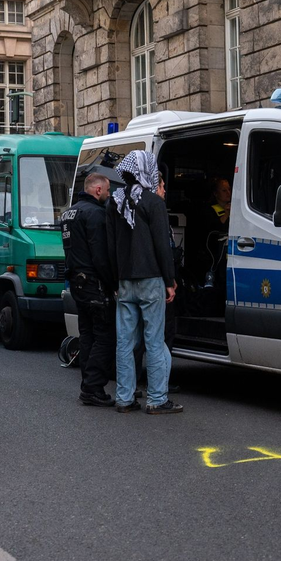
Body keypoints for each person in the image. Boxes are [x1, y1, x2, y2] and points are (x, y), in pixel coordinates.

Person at [106, 150, 181, 414]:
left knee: (125, 342)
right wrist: (169, 280)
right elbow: (163, 245)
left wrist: (115, 280)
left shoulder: (114, 202)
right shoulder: (153, 202)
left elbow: (110, 246)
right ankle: (157, 399)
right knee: (154, 339)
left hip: (125, 280)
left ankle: (124, 398)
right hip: (151, 279)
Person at [61, 172, 116, 407]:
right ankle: (93, 388)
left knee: (87, 335)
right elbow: (101, 255)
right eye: (108, 191)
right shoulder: (96, 214)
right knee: (104, 337)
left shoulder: (68, 213)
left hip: (76, 282)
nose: (109, 195)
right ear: (97, 190)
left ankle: (88, 385)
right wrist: (113, 284)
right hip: (94, 283)